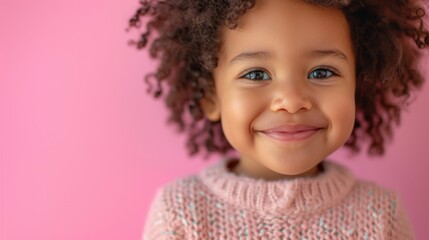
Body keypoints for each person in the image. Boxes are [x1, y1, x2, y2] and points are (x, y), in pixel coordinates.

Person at [128, 0, 428, 238]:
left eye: (322, 72)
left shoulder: (381, 215)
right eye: (256, 74)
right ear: (211, 96)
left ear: (357, 85)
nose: (292, 100)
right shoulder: (182, 213)